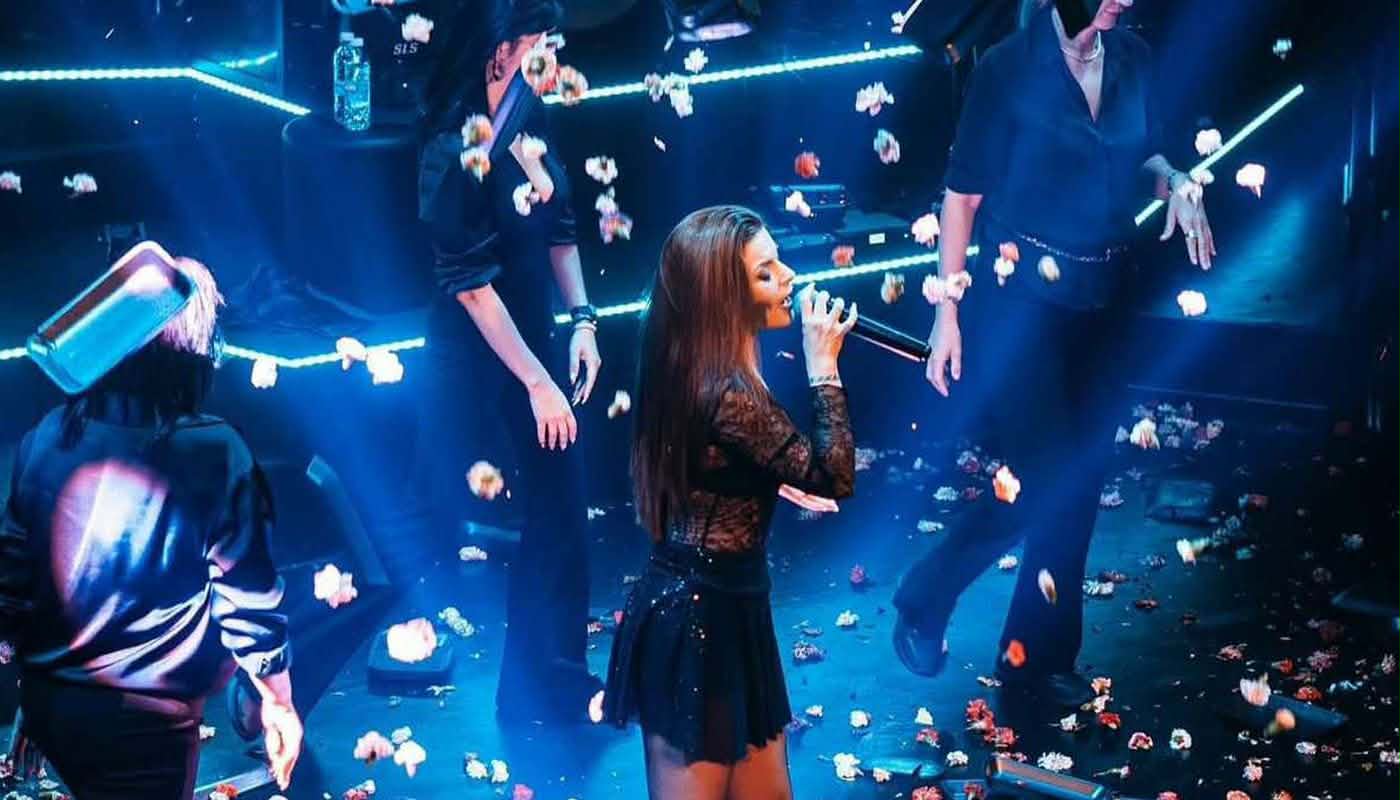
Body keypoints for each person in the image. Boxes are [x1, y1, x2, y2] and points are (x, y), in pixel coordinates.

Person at [892, 0, 1216, 706]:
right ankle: (927, 593)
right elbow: (961, 199)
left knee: (1083, 476)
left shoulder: (1132, 58)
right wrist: (947, 312)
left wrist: (1177, 180)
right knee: (1043, 477)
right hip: (1020, 305)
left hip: (1104, 298)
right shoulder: (1007, 69)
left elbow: (1146, 152)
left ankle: (1036, 660)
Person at [0, 258, 301, 797]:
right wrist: (278, 701)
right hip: (144, 731)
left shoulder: (49, 435)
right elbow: (249, 602)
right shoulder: (211, 451)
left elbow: (16, 586)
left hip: (54, 707)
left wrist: (34, 696)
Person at [603, 206, 858, 799]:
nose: (788, 278)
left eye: (779, 263)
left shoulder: (706, 366)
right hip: (696, 622)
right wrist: (823, 366)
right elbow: (833, 476)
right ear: (724, 298)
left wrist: (765, 476)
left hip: (735, 609)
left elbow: (725, 458)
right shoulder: (726, 390)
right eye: (765, 273)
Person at [416, 0, 604, 721]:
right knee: (500, 508)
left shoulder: (533, 110)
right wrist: (536, 382)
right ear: (502, 46)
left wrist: (582, 319)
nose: (553, 53)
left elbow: (561, 224)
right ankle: (526, 691)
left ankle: (552, 681)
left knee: (562, 507)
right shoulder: (449, 140)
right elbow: (467, 283)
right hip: (477, 351)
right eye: (540, 39)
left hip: (535, 335)